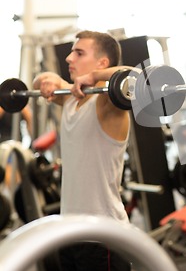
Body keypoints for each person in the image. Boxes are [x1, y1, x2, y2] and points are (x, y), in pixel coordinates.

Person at [33, 30, 132, 271]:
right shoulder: (70, 99)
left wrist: (95, 77)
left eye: (78, 53)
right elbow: (38, 82)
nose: (69, 58)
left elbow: (136, 76)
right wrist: (47, 80)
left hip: (103, 236)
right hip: (70, 232)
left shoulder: (108, 104)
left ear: (102, 63)